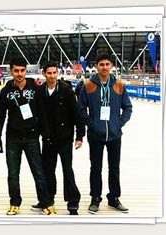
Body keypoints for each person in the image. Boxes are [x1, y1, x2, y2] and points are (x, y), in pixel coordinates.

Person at [0, 57, 55, 216]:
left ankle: (46, 203)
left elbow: (42, 113)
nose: (19, 74)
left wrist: (46, 134)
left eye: (22, 70)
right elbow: (1, 114)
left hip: (32, 138)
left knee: (38, 172)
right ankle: (14, 202)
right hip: (12, 138)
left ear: (26, 70)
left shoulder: (35, 89)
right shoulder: (6, 91)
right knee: (13, 174)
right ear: (11, 71)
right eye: (16, 70)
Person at [78, 53, 132, 214]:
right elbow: (81, 109)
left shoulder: (119, 85)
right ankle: (95, 198)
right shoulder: (88, 85)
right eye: (101, 64)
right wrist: (91, 124)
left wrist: (119, 123)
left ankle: (114, 198)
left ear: (112, 66)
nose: (105, 67)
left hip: (115, 135)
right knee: (96, 168)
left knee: (114, 168)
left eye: (107, 64)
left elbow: (128, 107)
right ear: (96, 66)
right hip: (96, 134)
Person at [30, 62, 85, 215]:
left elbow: (76, 114)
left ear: (58, 73)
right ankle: (47, 200)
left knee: (67, 171)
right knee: (48, 171)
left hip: (65, 139)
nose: (52, 76)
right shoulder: (40, 91)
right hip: (48, 139)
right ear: (44, 74)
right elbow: (36, 115)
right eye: (49, 73)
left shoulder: (66, 90)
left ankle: (73, 202)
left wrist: (80, 135)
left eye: (54, 73)